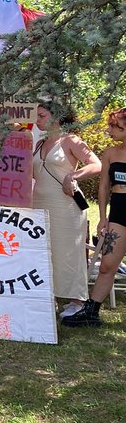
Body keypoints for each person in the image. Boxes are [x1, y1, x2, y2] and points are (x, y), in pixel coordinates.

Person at [32, 102, 101, 317]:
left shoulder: (71, 140)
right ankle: (49, 295)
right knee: (45, 251)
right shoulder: (39, 143)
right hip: (39, 203)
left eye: (42, 116)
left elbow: (96, 164)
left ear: (57, 117)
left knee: (69, 252)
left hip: (65, 205)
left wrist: (73, 175)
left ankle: (78, 300)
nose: (37, 120)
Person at [65, 108, 126, 327]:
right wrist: (102, 217)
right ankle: (91, 312)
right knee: (107, 265)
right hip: (118, 212)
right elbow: (103, 187)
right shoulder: (110, 153)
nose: (108, 130)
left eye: (114, 126)